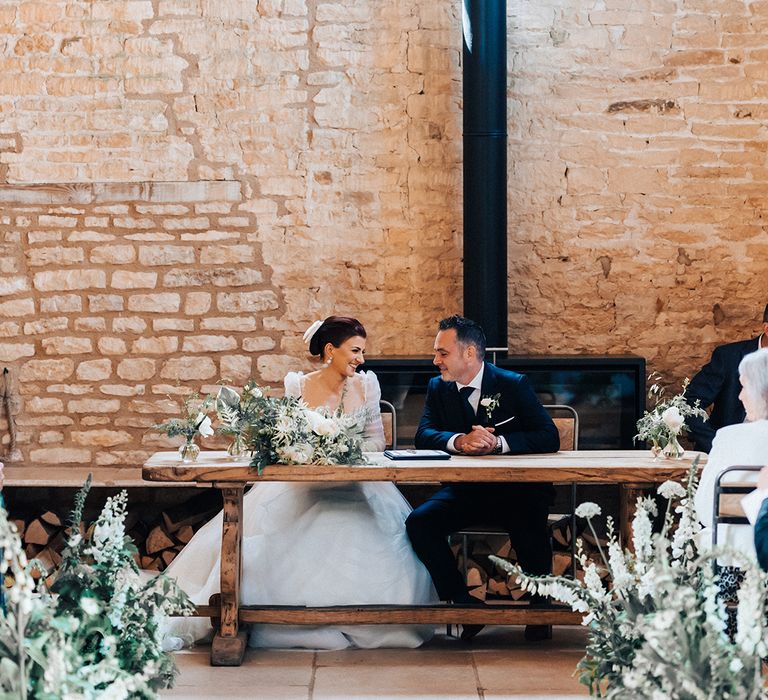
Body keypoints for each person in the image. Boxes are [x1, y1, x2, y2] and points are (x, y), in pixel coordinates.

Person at [162, 316, 437, 650]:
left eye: (362, 352)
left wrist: (343, 447)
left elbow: (378, 442)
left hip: (357, 485)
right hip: (306, 486)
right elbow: (286, 442)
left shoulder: (367, 385)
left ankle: (372, 617)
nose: (361, 359)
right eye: (355, 350)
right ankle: (254, 614)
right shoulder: (299, 386)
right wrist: (313, 450)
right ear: (330, 350)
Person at [405, 315, 560, 641]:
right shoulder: (438, 387)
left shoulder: (512, 383)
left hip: (517, 491)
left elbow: (549, 436)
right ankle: (464, 607)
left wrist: (499, 444)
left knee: (530, 525)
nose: (436, 361)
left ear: (470, 353)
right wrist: (459, 441)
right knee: (419, 522)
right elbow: (424, 434)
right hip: (466, 492)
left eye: (442, 353)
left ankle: (540, 610)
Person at [694, 348, 768, 593]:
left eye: (744, 387)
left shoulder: (729, 437)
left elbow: (705, 510)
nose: (739, 397)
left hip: (736, 566)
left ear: (762, 393)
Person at [685, 304, 768, 453]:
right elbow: (689, 404)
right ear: (767, 329)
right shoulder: (728, 357)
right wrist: (717, 444)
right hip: (730, 452)